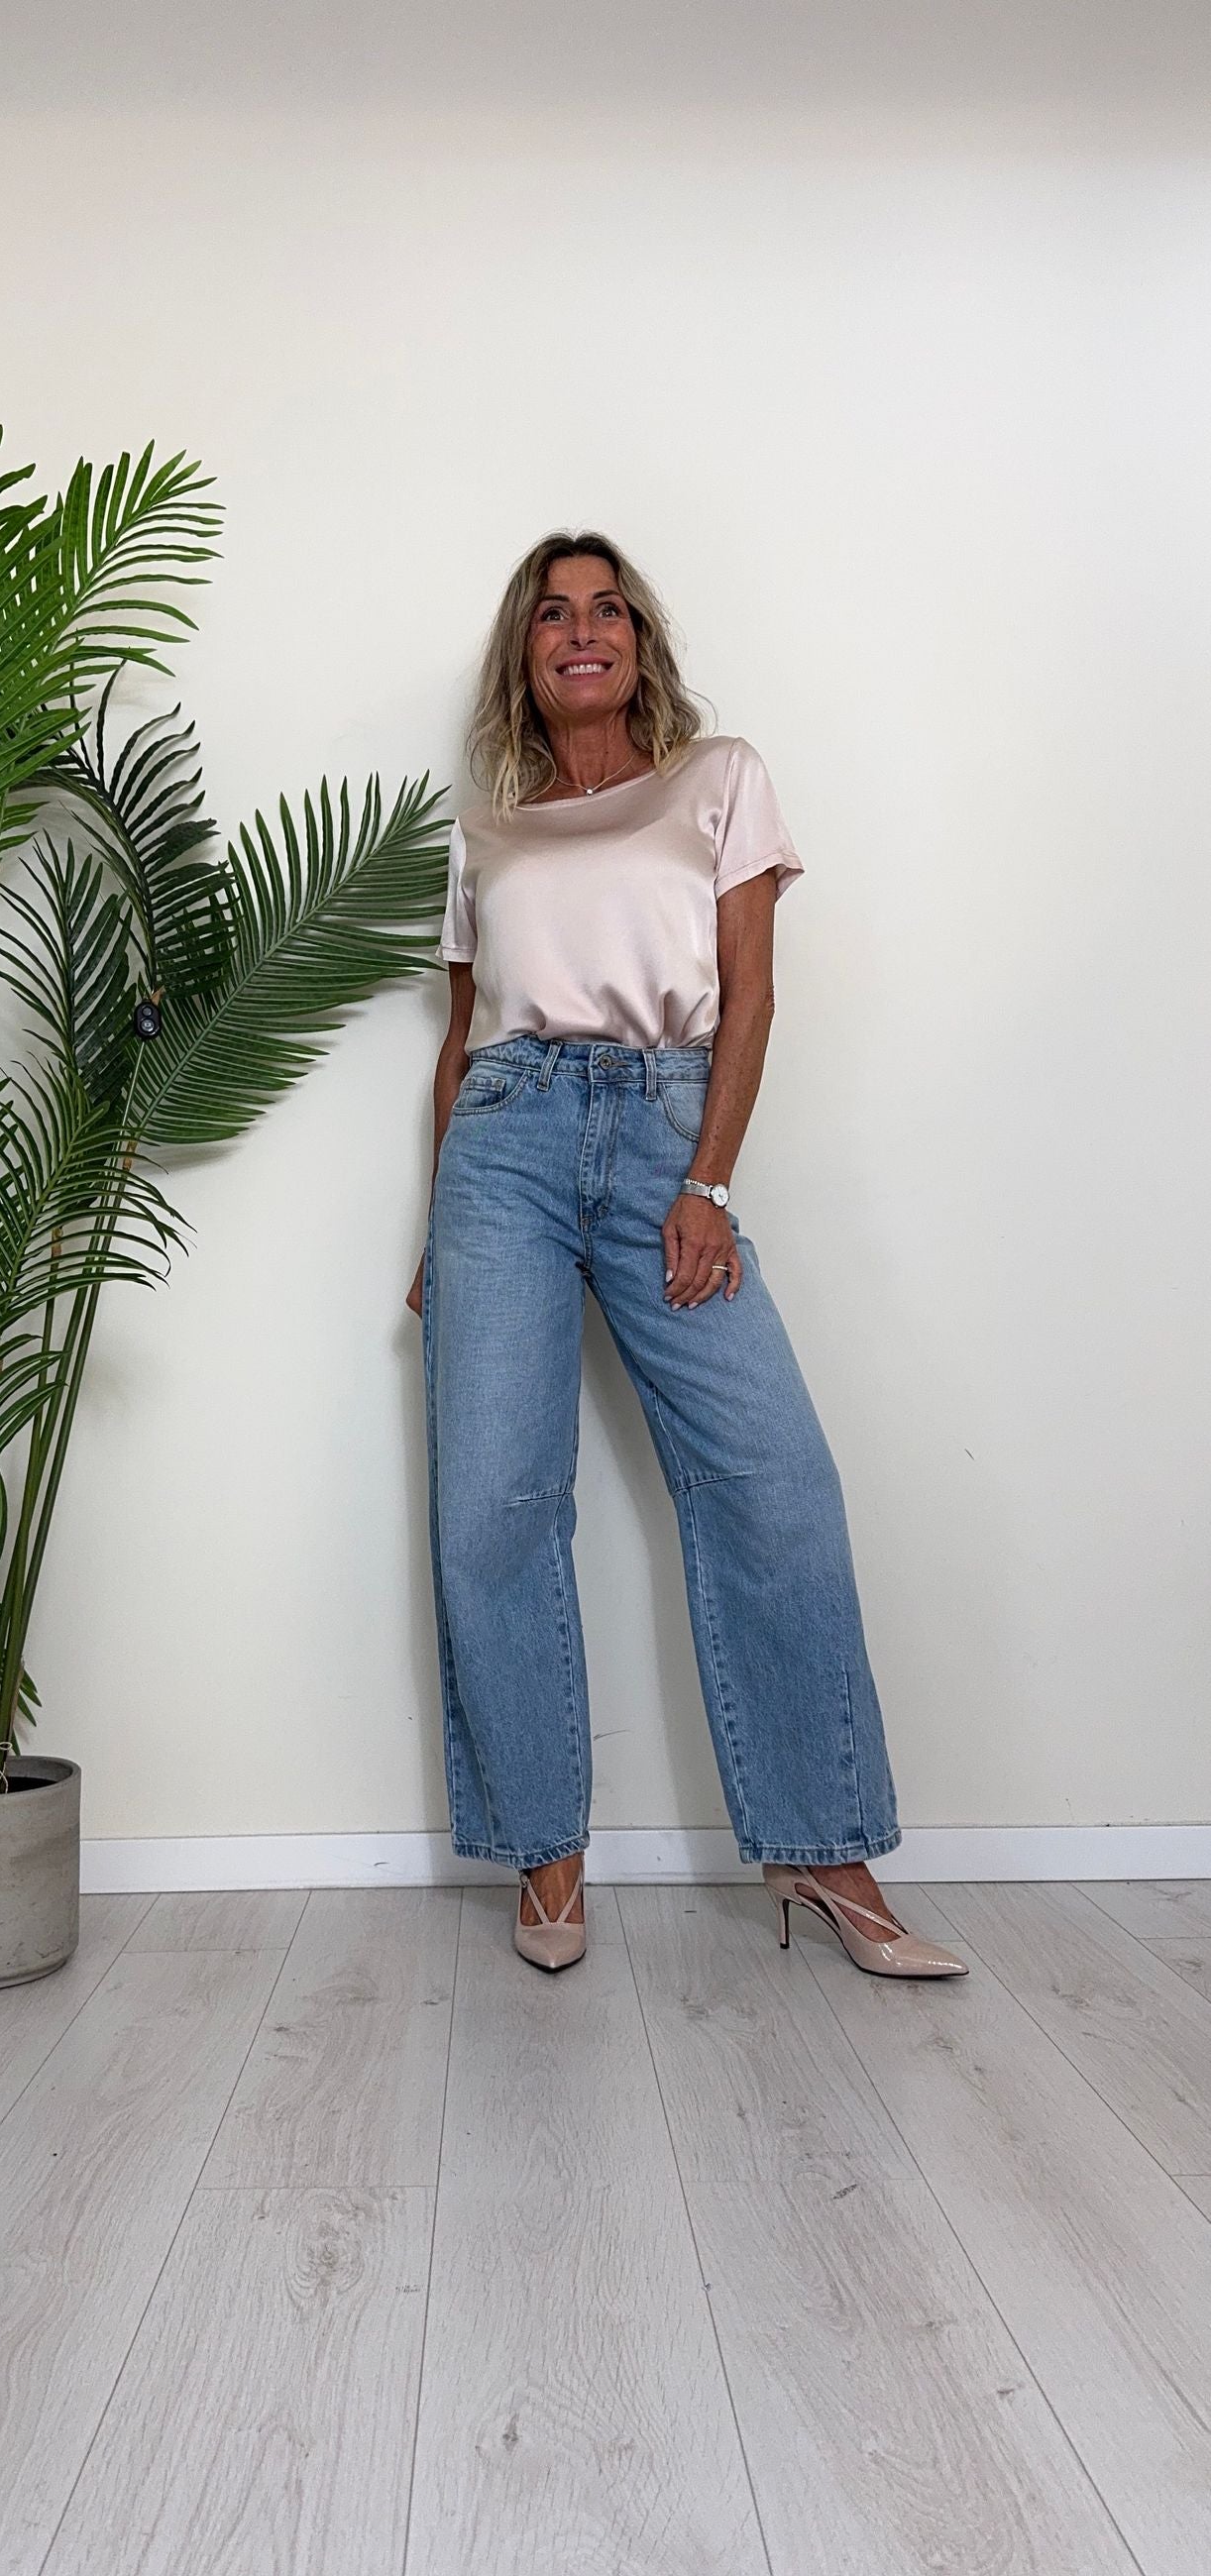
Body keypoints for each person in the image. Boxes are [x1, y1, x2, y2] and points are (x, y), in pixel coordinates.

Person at [406, 530, 966, 1984]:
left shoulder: (719, 779)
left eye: (608, 610)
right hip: (503, 1155)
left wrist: (707, 1179)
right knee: (493, 1504)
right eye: (553, 615)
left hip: (667, 1130)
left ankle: (824, 1850)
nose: (582, 631)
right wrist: (435, 1232)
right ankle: (546, 1855)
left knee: (774, 1481)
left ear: (641, 642)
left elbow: (753, 997)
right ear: (525, 656)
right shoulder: (487, 831)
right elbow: (461, 1044)